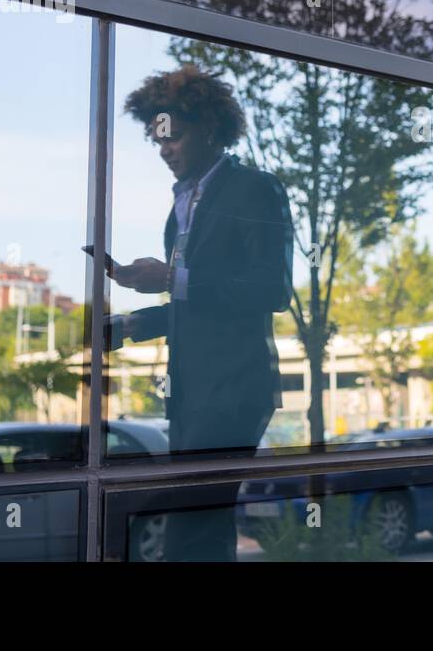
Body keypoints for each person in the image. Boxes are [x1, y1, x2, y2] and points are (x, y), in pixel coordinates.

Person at [106, 64, 293, 560]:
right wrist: (130, 324)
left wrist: (169, 277)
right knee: (200, 531)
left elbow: (272, 290)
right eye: (158, 141)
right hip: (190, 392)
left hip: (235, 389)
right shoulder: (181, 207)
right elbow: (197, 306)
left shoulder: (255, 188)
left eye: (174, 137)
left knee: (191, 529)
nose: (165, 150)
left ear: (209, 128)